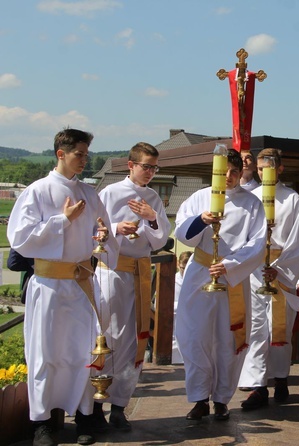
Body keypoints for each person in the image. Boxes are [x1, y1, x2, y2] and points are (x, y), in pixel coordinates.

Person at [8, 128, 119, 446]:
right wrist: (63, 220)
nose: (84, 159)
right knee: (45, 354)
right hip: (49, 286)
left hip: (82, 284)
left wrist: (103, 238)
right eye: (79, 154)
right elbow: (21, 238)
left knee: (84, 352)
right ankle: (42, 424)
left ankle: (84, 416)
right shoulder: (38, 191)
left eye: (86, 154)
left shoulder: (90, 193)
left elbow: (106, 236)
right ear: (61, 153)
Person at [175, 150, 266, 422]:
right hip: (200, 271)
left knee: (229, 340)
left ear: (240, 173)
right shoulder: (199, 197)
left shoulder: (252, 204)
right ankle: (200, 399)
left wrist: (230, 265)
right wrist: (201, 221)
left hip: (232, 277)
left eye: (233, 172)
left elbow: (258, 242)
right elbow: (182, 232)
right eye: (222, 171)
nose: (227, 177)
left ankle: (222, 399)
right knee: (195, 337)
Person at [95, 142, 171, 431]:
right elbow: (94, 228)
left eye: (154, 167)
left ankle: (118, 406)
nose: (151, 172)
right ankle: (95, 406)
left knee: (133, 340)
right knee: (107, 336)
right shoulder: (110, 192)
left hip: (140, 273)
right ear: (131, 165)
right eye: (146, 166)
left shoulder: (153, 197)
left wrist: (152, 219)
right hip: (113, 272)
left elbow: (161, 239)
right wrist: (116, 228)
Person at [238, 148, 299, 410]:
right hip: (254, 271)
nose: (261, 173)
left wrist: (279, 269)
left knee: (279, 329)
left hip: (281, 271)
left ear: (279, 169)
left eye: (267, 168)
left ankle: (281, 379)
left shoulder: (292, 200)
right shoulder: (250, 198)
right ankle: (258, 386)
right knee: (256, 329)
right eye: (258, 169)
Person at [172, 250, 193, 365]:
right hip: (174, 325)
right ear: (178, 264)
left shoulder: (196, 280)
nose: (185, 272)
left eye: (188, 269)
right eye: (182, 268)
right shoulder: (172, 281)